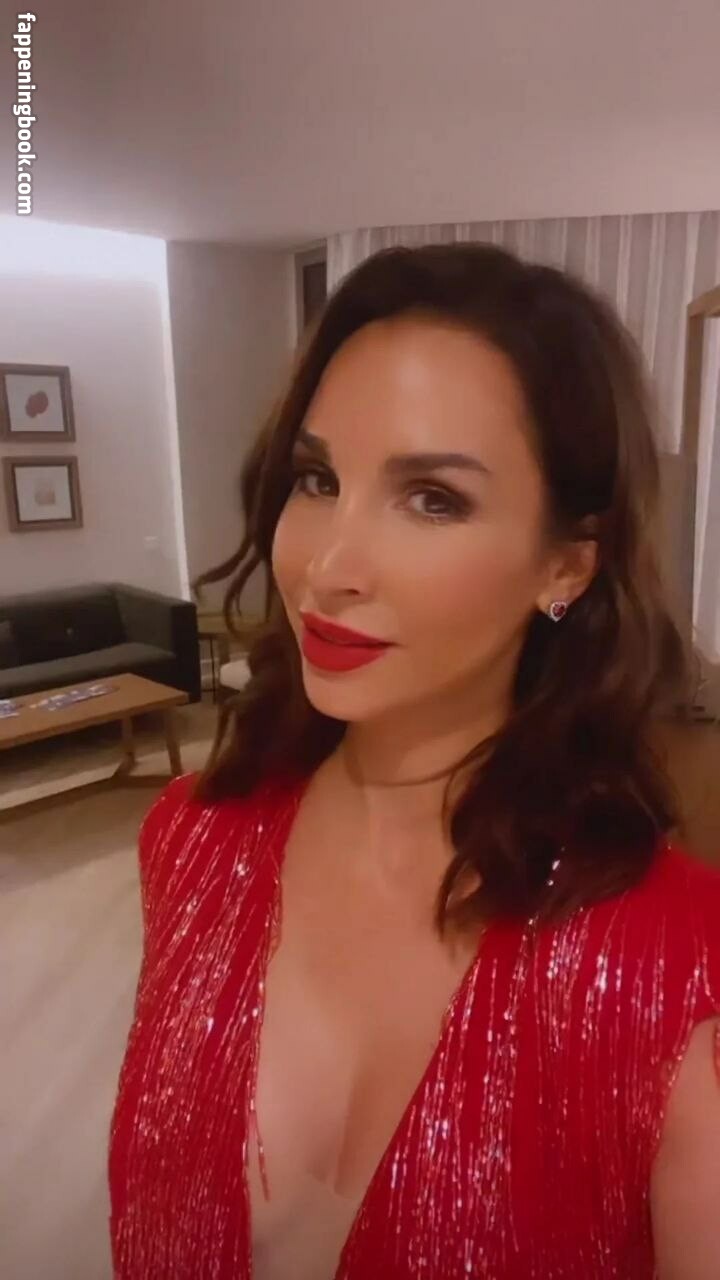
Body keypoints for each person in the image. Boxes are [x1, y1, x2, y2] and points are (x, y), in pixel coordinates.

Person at [108, 243, 720, 1279]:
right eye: (317, 479)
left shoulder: (677, 965)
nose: (328, 567)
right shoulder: (191, 839)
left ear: (566, 565)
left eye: (433, 497)